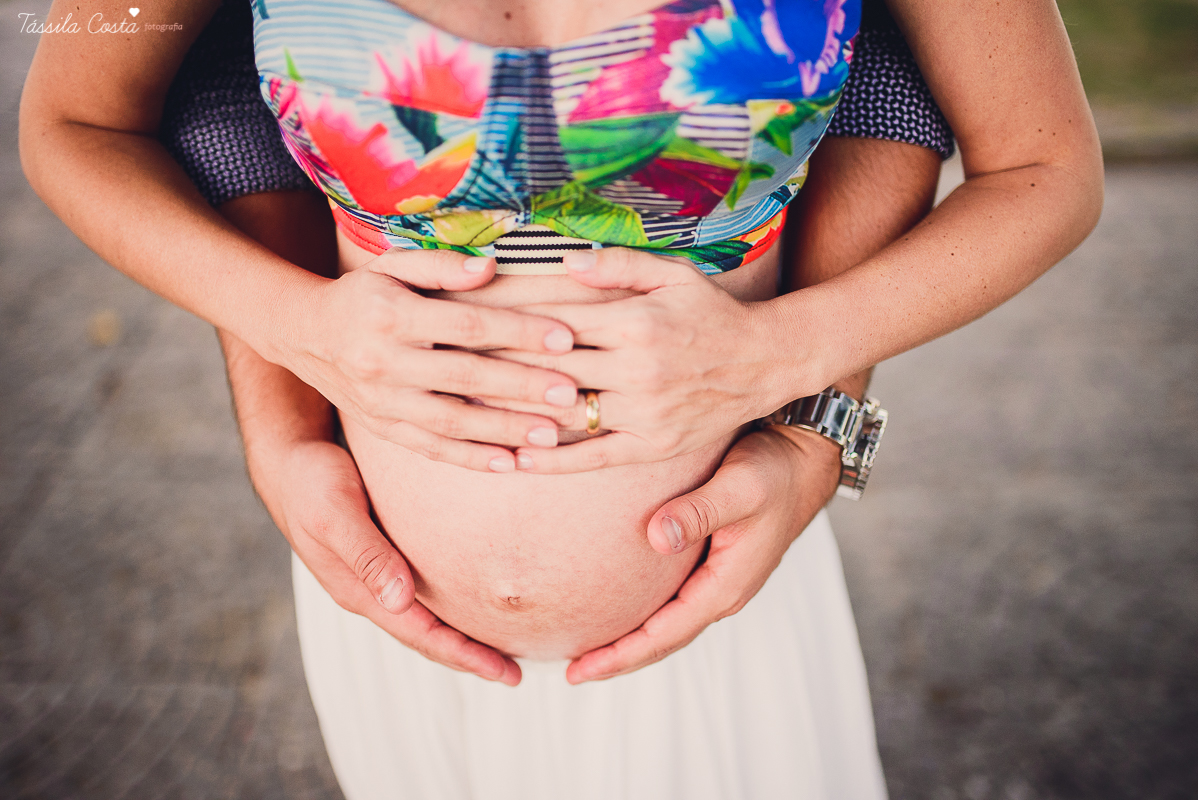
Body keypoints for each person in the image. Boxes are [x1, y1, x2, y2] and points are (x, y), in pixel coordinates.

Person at [19, 0, 1103, 796]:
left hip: (719, 614)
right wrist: (290, 352)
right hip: (391, 621)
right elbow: (77, 121)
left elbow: (1044, 169)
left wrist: (789, 369)